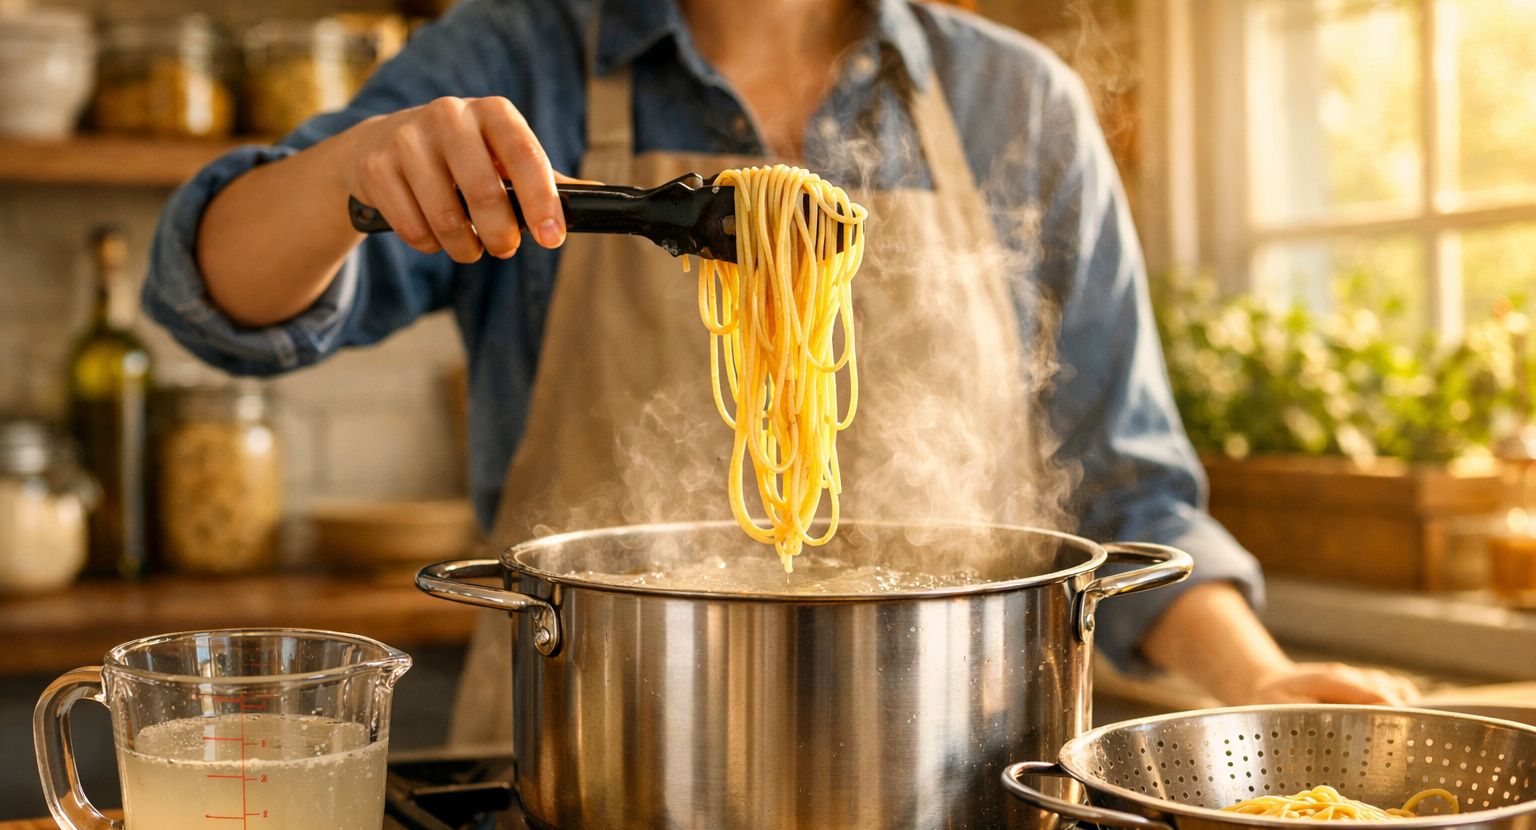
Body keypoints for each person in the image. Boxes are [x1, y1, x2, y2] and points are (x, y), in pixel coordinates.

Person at [143, 0, 1418, 743]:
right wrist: (342, 176)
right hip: (598, 751)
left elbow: (1129, 504)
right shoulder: (517, 55)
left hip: (968, 769)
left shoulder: (1014, 101)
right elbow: (215, 301)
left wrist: (1261, 683)